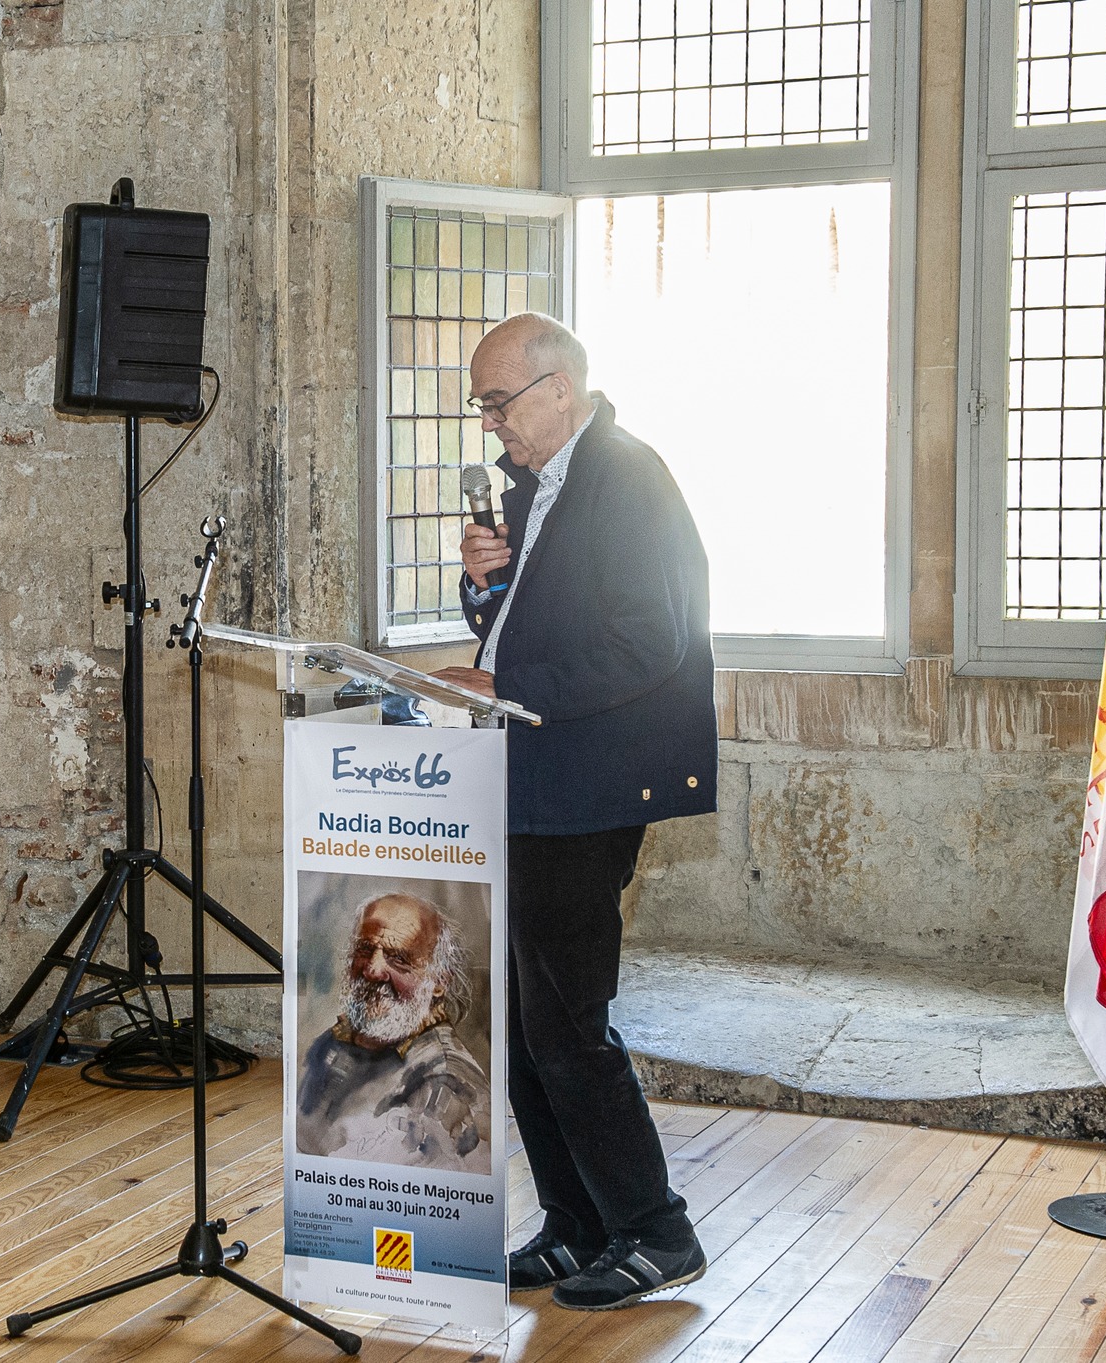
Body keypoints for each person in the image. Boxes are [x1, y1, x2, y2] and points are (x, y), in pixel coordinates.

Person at [432, 312, 716, 1311]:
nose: (490, 423)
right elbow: (527, 626)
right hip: (527, 779)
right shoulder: (539, 484)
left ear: (557, 387)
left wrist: (506, 686)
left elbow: (653, 641)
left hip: (586, 786)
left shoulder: (628, 478)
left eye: (498, 401)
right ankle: (576, 1221)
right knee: (518, 1026)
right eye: (483, 405)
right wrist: (487, 590)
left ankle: (655, 1229)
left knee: (568, 1026)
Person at [297, 893, 489, 1174]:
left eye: (398, 958)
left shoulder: (445, 1080)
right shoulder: (329, 1044)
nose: (373, 970)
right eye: (364, 949)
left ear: (439, 982)